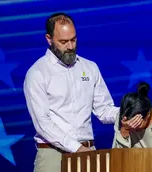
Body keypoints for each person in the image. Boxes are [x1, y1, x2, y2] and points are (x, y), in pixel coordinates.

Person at [23, 12, 125, 172]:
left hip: (87, 152)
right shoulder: (37, 73)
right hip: (53, 155)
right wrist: (76, 148)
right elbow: (42, 123)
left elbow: (104, 110)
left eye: (73, 39)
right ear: (49, 39)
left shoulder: (90, 67)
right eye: (63, 41)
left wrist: (126, 114)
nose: (70, 46)